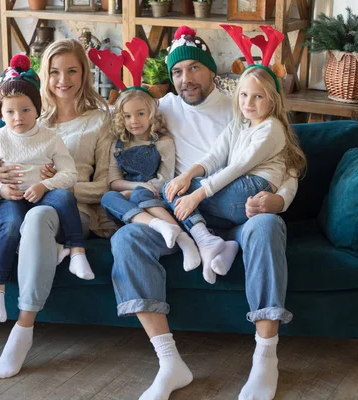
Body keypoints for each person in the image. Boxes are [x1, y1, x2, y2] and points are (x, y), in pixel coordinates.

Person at [110, 26, 300, 400]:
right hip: (185, 214)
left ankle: (265, 359)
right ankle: (169, 363)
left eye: (194, 68)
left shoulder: (240, 103)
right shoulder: (160, 109)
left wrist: (282, 199)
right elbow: (118, 124)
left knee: (266, 227)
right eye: (178, 72)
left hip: (238, 209)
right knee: (127, 237)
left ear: (212, 70)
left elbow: (288, 161)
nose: (186, 79)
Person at [0, 38, 113, 380]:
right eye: (54, 72)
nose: (63, 79)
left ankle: (21, 331)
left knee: (39, 215)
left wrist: (53, 183)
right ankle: (0, 231)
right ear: (43, 77)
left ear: (84, 74)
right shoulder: (28, 111)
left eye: (72, 71)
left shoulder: (99, 121)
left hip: (67, 208)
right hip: (13, 202)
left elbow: (104, 185)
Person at [0, 54, 95, 324]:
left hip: (44, 198)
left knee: (63, 196)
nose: (18, 117)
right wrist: (1, 189)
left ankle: (77, 252)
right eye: (10, 112)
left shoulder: (51, 138)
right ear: (0, 114)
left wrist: (44, 184)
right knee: (10, 226)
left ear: (38, 109)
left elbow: (69, 173)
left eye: (25, 110)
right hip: (13, 198)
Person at [162, 65, 306, 284]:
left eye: (258, 96)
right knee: (177, 194)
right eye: (244, 95)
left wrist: (197, 193)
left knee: (169, 191)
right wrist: (187, 175)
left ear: (273, 100)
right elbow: (214, 158)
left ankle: (204, 241)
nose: (248, 103)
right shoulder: (240, 124)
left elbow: (237, 166)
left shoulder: (270, 128)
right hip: (239, 199)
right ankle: (224, 246)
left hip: (253, 189)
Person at [100, 89, 201, 271]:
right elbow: (113, 181)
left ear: (151, 114)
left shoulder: (163, 142)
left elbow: (165, 179)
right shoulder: (118, 144)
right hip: (129, 201)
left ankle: (183, 240)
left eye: (140, 114)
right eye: (127, 116)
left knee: (140, 193)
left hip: (154, 199)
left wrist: (139, 190)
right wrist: (136, 187)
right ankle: (162, 226)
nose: (134, 121)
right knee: (108, 198)